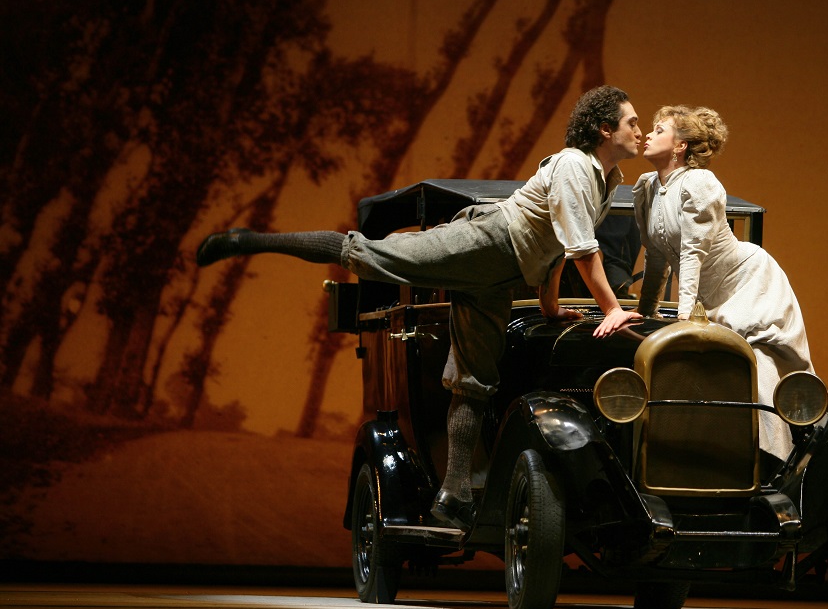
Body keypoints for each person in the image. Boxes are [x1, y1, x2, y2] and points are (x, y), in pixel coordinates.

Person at [196, 85, 645, 531]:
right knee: (370, 256)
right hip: (486, 244)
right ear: (605, 129)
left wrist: (549, 310)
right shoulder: (573, 165)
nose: (640, 131)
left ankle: (453, 494)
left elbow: (555, 250)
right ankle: (248, 240)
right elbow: (583, 251)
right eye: (632, 122)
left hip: (501, 278)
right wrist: (611, 309)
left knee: (475, 384)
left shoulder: (607, 180)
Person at [633, 105, 818, 461]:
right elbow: (656, 257)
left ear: (680, 146)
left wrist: (684, 316)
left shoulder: (699, 183)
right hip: (708, 295)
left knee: (759, 366)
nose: (648, 135)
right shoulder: (649, 188)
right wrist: (645, 315)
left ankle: (775, 457)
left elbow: (693, 254)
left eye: (659, 130)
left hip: (747, 284)